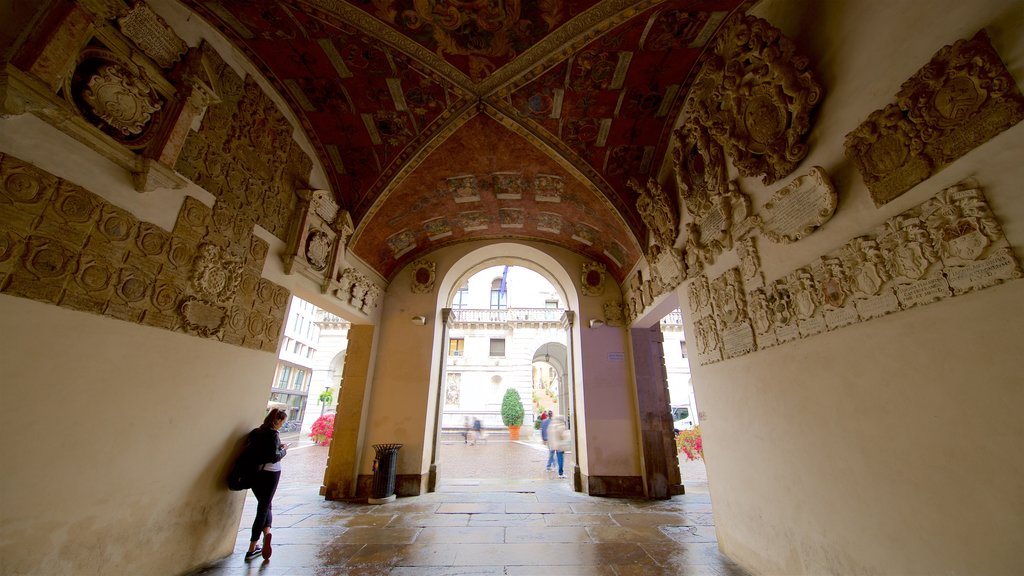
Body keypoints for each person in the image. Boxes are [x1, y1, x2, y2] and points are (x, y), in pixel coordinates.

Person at [245, 408, 289, 561]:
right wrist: (284, 450)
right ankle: (252, 546)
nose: (282, 424)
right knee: (263, 507)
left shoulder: (256, 432)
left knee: (265, 504)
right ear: (278, 421)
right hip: (271, 473)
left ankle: (267, 532)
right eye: (282, 421)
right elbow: (274, 456)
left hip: (255, 473)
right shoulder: (273, 435)